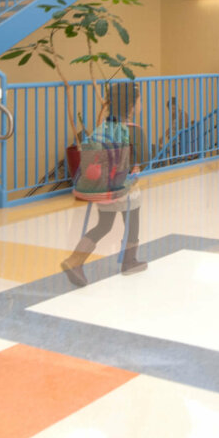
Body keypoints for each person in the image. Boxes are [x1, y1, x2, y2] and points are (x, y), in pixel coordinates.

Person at [62, 81, 147, 285]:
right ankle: (129, 261)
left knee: (104, 225)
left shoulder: (102, 127)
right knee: (132, 224)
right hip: (125, 188)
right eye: (139, 100)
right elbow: (143, 158)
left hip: (104, 187)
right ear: (132, 105)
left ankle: (75, 260)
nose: (141, 104)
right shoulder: (134, 130)